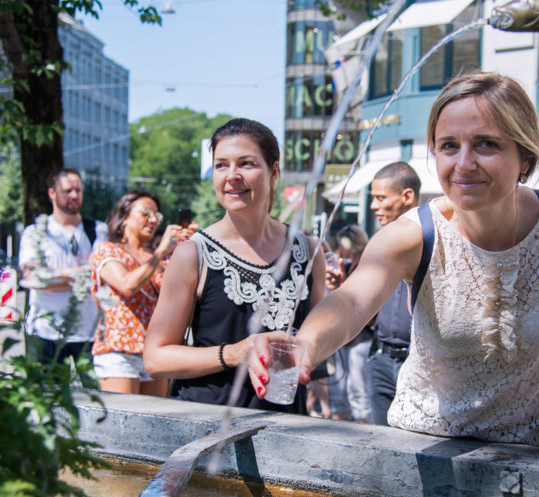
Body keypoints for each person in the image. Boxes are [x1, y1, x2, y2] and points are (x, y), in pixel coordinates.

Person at [249, 71, 539, 463]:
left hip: (538, 450)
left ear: (525, 155)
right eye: (448, 146)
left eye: (486, 144)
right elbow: (352, 302)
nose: (464, 163)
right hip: (425, 449)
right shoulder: (412, 235)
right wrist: (304, 344)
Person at [143, 118, 326, 409]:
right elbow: (155, 359)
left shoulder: (309, 252)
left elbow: (321, 347)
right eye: (221, 165)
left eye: (246, 164)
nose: (232, 176)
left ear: (273, 172)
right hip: (209, 431)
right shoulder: (193, 254)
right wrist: (237, 352)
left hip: (286, 432)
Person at [91, 191, 187, 396]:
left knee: (153, 424)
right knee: (122, 424)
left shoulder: (159, 259)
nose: (153, 220)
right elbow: (127, 285)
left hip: (155, 351)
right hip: (118, 350)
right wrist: (161, 252)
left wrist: (185, 250)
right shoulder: (108, 250)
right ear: (124, 217)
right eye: (146, 213)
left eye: (157, 216)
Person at [19, 167, 108, 384]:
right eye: (67, 190)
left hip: (88, 332)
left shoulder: (98, 230)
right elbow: (32, 278)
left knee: (98, 397)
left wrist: (52, 276)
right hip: (45, 331)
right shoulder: (36, 233)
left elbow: (98, 276)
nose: (74, 196)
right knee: (46, 401)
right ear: (52, 193)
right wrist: (75, 274)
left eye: (78, 190)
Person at [367, 161, 421, 424]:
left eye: (380, 198)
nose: (373, 206)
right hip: (380, 359)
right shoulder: (377, 244)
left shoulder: (431, 241)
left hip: (417, 364)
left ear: (406, 197)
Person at [331, 224, 373, 422]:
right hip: (342, 337)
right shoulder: (346, 267)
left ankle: (361, 432)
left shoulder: (366, 268)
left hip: (361, 338)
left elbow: (368, 314)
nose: (339, 250)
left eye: (342, 245)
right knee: (338, 389)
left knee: (358, 390)